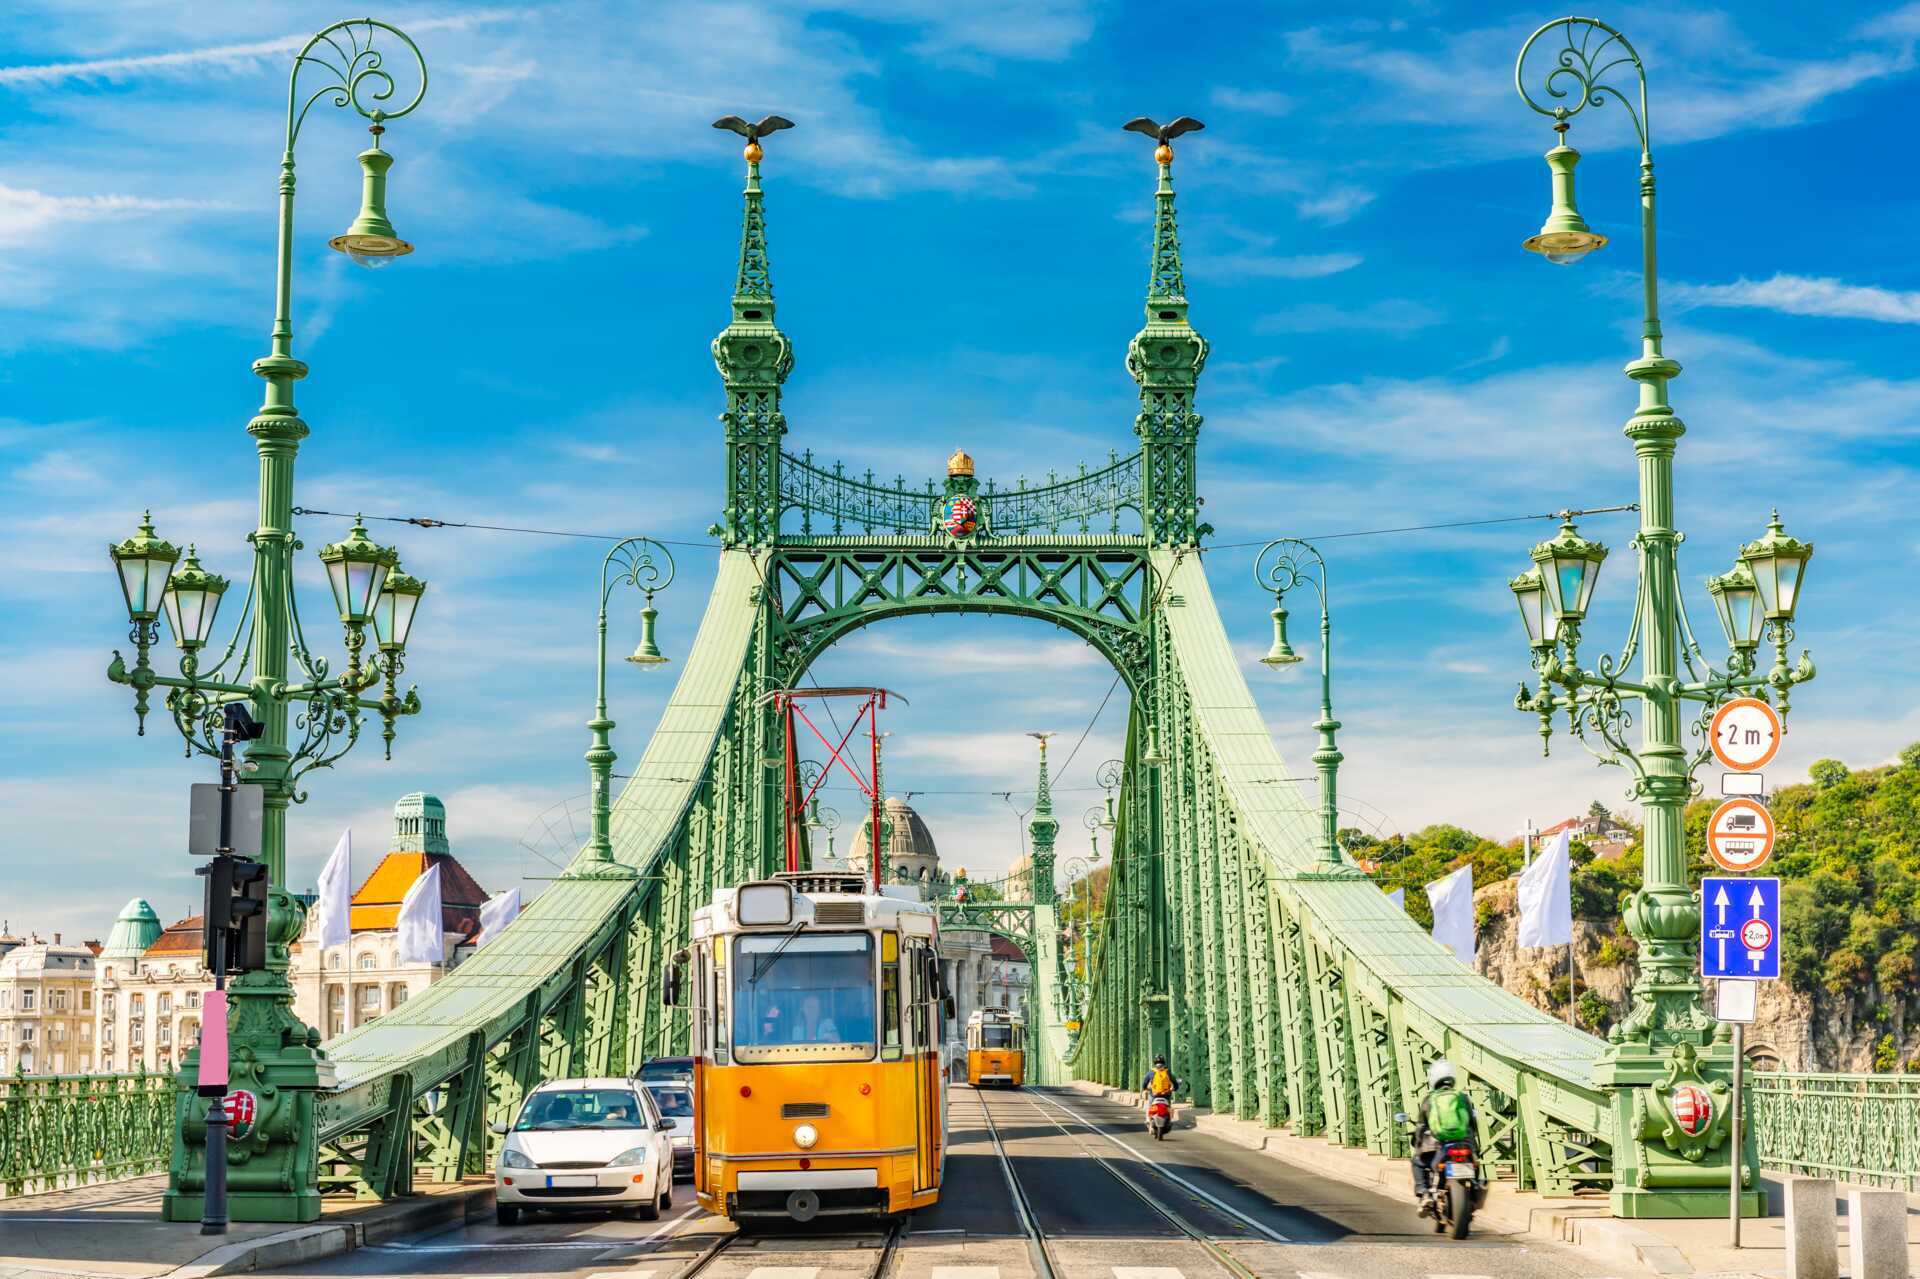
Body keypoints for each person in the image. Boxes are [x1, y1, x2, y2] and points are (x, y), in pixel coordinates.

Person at [1410, 1058, 1476, 1215]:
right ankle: (1474, 1191)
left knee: (1417, 1161)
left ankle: (1424, 1193)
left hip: (1440, 1145)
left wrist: (1417, 1141)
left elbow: (1421, 1126)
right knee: (1475, 1164)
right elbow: (1472, 1123)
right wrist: (1473, 1142)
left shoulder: (1430, 1099)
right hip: (1464, 1143)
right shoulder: (1462, 1097)